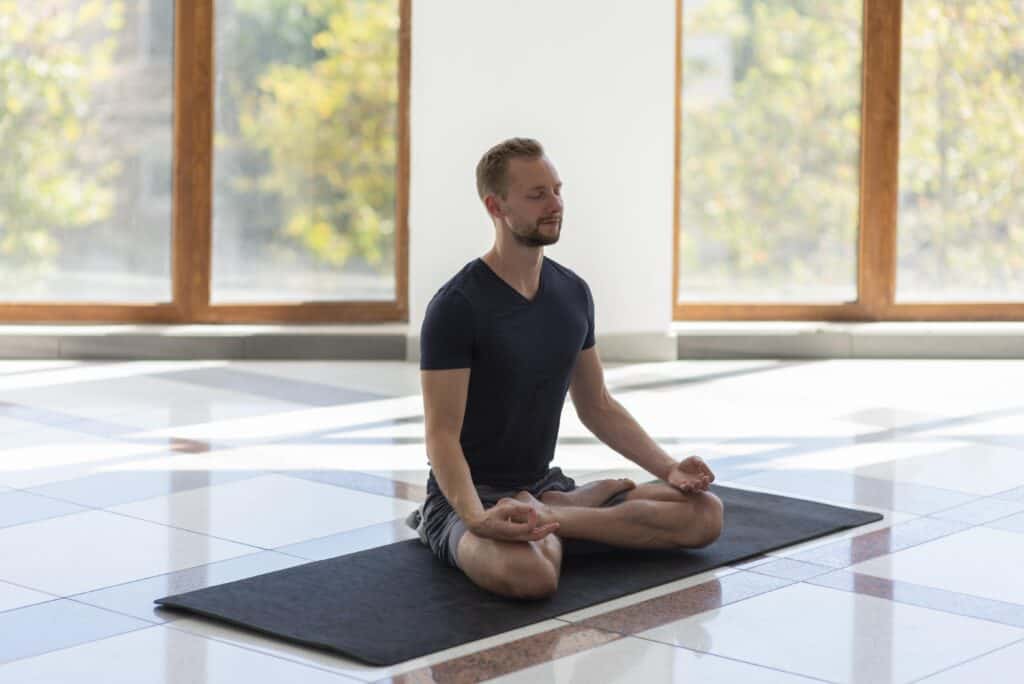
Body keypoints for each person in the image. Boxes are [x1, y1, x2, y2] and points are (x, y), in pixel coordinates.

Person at [407, 137, 723, 600]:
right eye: (537, 195)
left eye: (557, 190)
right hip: (468, 497)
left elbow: (597, 404)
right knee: (531, 577)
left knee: (706, 515)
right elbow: (441, 437)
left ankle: (555, 516)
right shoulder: (457, 306)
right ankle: (560, 519)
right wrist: (476, 516)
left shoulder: (572, 293)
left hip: (542, 485)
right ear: (496, 206)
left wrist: (670, 468)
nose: (555, 204)